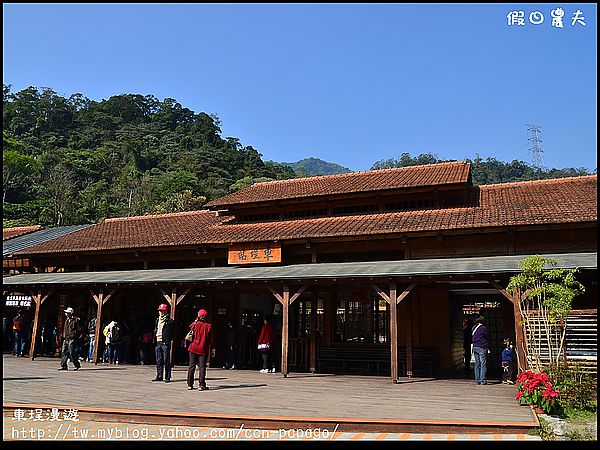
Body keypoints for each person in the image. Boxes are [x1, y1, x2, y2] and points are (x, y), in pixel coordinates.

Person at [187, 309, 216, 391]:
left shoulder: (194, 324)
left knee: (191, 366)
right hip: (203, 348)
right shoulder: (208, 326)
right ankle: (201, 385)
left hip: (192, 347)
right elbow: (212, 340)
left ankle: (190, 384)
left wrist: (196, 320)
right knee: (202, 367)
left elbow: (190, 328)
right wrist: (213, 349)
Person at [152, 304, 176, 382]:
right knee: (158, 360)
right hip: (158, 341)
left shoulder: (170, 321)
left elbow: (174, 331)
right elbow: (155, 329)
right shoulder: (157, 320)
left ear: (166, 311)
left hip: (165, 342)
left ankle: (167, 377)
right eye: (160, 311)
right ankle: (159, 375)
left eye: (162, 311)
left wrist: (169, 340)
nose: (161, 312)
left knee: (166, 360)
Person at [471, 315, 489, 385]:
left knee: (477, 364)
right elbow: (486, 336)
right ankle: (482, 380)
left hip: (475, 346)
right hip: (482, 346)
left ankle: (477, 380)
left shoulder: (473, 327)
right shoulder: (483, 328)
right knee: (483, 364)